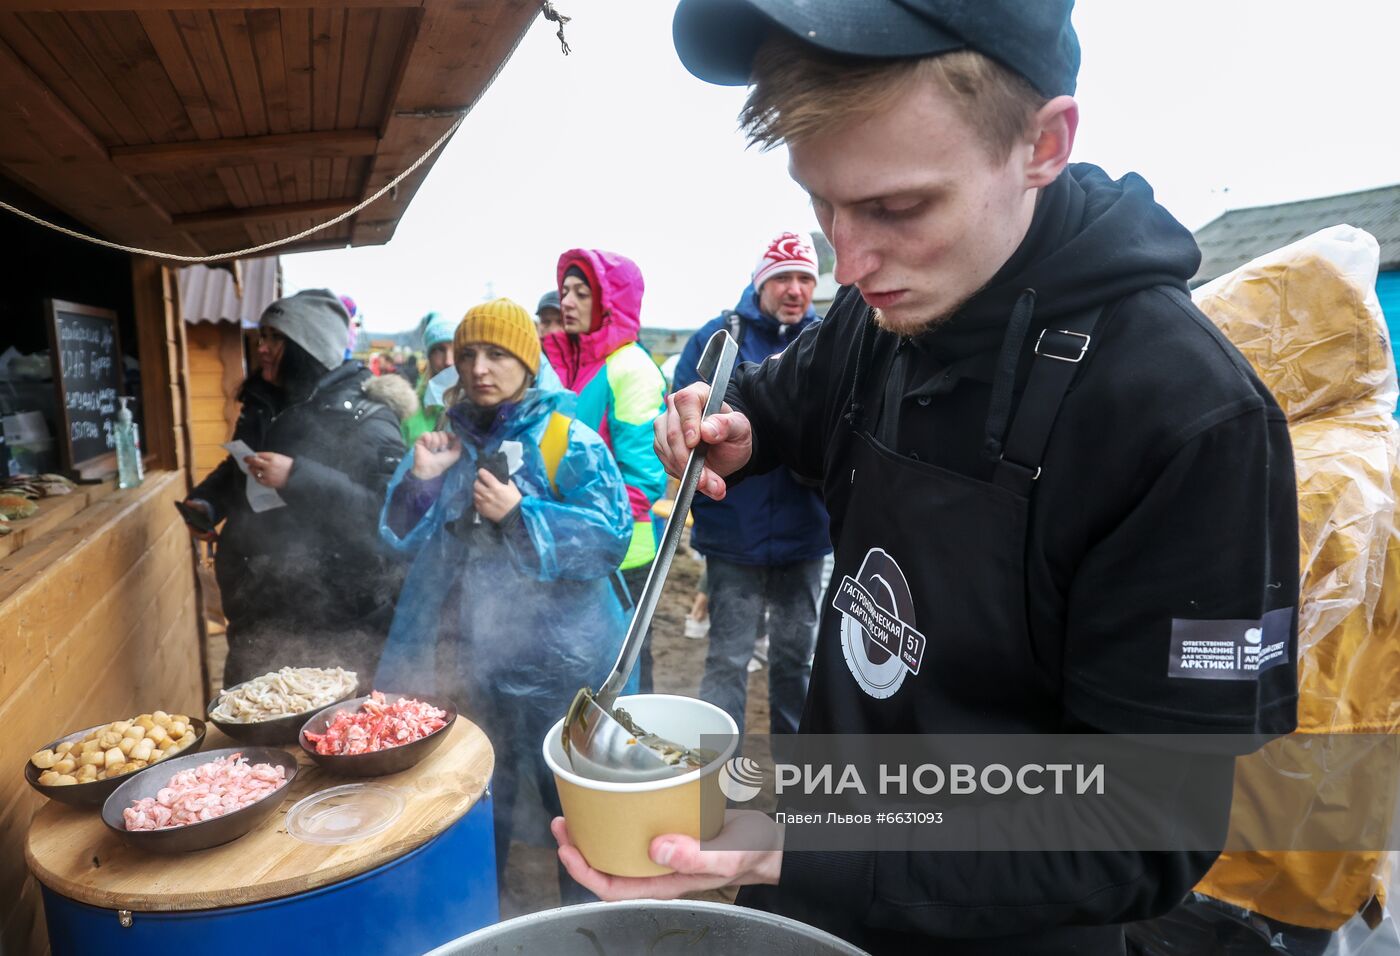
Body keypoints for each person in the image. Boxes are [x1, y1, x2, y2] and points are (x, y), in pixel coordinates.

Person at [552, 4, 1301, 954]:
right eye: (822, 205)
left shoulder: (1186, 419)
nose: (849, 263)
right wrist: (737, 431)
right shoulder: (879, 315)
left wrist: (799, 843)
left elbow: (1141, 828)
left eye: (898, 209)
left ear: (1043, 144)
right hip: (812, 886)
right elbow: (788, 401)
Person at [375, 298, 635, 904]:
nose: (479, 368)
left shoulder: (565, 438)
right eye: (467, 354)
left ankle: (584, 925)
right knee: (482, 795)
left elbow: (610, 536)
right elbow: (396, 535)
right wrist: (421, 479)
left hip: (563, 667)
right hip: (476, 661)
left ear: (527, 360)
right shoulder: (449, 442)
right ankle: (482, 918)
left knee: (575, 805)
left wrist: (523, 516)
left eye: (497, 353)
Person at [181, 289, 406, 687]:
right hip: (256, 607)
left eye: (273, 338)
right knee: (251, 728)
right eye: (261, 336)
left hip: (333, 620)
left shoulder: (369, 420)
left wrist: (297, 476)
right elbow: (242, 466)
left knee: (328, 735)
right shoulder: (263, 402)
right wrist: (208, 502)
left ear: (308, 345)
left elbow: (386, 516)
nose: (261, 347)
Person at [673, 231, 830, 736]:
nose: (795, 289)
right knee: (728, 659)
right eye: (782, 277)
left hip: (804, 536)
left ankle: (799, 791)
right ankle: (713, 787)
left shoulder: (828, 340)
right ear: (760, 282)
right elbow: (681, 412)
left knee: (794, 663)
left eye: (805, 278)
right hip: (733, 538)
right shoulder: (717, 339)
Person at [542, 249, 668, 692]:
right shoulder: (574, 366)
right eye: (565, 292)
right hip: (574, 547)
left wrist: (589, 531)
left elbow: (644, 477)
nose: (567, 303)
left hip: (622, 555)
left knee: (626, 672)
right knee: (585, 670)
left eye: (581, 293)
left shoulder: (630, 368)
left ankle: (637, 757)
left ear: (609, 301)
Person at [401, 313, 457, 445]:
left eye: (455, 349)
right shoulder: (411, 408)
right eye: (439, 350)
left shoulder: (479, 405)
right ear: (429, 357)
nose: (448, 361)